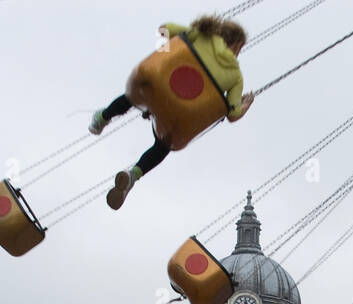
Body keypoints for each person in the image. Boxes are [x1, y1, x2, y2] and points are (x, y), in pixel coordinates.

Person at [93, 16, 254, 209]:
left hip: (161, 85)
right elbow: (233, 114)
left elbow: (164, 29)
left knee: (133, 96)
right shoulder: (236, 76)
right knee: (163, 146)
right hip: (180, 113)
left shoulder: (202, 36)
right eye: (240, 49)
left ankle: (102, 118)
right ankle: (133, 175)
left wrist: (168, 51)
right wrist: (246, 104)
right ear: (236, 45)